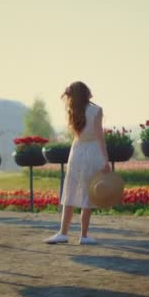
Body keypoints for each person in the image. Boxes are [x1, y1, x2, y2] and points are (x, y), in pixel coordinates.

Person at [44, 81, 110, 245]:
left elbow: (76, 134)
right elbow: (99, 136)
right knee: (88, 193)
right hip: (92, 151)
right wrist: (105, 160)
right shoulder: (96, 110)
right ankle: (84, 235)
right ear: (86, 92)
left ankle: (63, 233)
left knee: (70, 191)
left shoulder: (72, 111)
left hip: (76, 152)